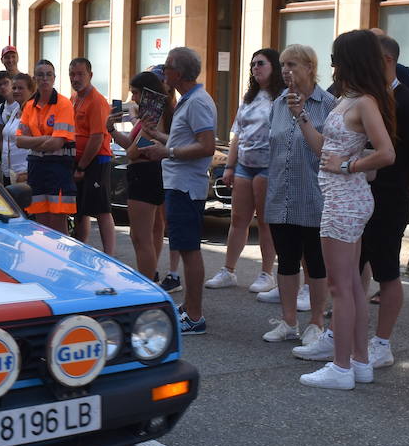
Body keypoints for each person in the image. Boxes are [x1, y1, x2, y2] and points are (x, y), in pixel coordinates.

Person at [292, 30, 395, 390]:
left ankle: (340, 368)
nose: (332, 64)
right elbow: (324, 148)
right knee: (350, 283)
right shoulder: (350, 98)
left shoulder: (364, 101)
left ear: (351, 60)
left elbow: (386, 153)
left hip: (345, 200)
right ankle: (359, 363)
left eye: (336, 57)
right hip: (341, 198)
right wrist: (302, 117)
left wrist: (349, 166)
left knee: (341, 286)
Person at [360, 34, 409, 371]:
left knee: (387, 272)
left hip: (389, 201)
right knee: (350, 269)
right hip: (361, 198)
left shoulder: (404, 102)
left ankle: (382, 343)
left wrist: (404, 182)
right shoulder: (371, 99)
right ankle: (340, 333)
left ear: (388, 61)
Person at [139, 48, 217, 335]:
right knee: (185, 249)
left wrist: (166, 151)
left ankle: (195, 316)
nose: (163, 71)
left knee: (189, 250)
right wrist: (158, 136)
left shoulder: (196, 102)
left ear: (179, 73)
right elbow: (185, 139)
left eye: (167, 66)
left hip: (186, 186)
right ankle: (190, 308)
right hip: (179, 184)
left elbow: (206, 145)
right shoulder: (190, 100)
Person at [262, 45, 336, 346]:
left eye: (292, 64)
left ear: (309, 67)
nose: (285, 70)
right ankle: (288, 321)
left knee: (316, 263)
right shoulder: (278, 103)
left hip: (314, 195)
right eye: (282, 65)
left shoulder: (329, 104)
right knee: (287, 260)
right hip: (281, 194)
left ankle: (316, 323)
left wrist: (301, 115)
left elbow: (330, 149)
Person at [207, 49, 283, 294]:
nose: (255, 68)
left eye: (261, 63)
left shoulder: (282, 97)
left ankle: (266, 273)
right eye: (252, 64)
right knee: (238, 220)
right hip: (244, 166)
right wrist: (229, 166)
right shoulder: (249, 98)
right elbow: (237, 135)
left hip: (268, 166)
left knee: (265, 222)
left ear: (274, 66)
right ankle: (228, 270)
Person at [108, 70, 169, 280]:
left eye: (135, 93)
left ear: (146, 93)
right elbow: (132, 146)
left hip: (145, 174)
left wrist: (133, 147)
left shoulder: (154, 116)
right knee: (143, 235)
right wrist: (113, 132)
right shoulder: (148, 115)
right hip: (143, 172)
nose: (132, 98)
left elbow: (135, 150)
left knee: (141, 237)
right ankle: (149, 278)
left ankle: (148, 282)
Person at [16, 59, 77, 232]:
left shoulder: (63, 104)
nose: (45, 79)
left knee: (58, 224)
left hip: (58, 169)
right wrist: (45, 139)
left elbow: (57, 143)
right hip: (36, 168)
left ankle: (62, 259)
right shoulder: (29, 106)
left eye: (49, 75)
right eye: (40, 75)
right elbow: (19, 141)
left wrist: (34, 141)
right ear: (35, 79)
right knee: (41, 223)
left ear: (54, 78)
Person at [69, 58, 116, 255]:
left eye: (80, 74)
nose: (75, 78)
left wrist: (82, 167)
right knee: (81, 209)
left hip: (96, 161)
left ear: (90, 75)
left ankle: (110, 254)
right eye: (72, 74)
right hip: (79, 161)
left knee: (102, 209)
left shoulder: (96, 101)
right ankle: (81, 247)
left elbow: (97, 138)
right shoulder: (74, 98)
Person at [0, 72, 32, 185]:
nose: (16, 91)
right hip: (9, 172)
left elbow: (39, 146)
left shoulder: (34, 112)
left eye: (21, 88)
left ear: (31, 90)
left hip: (24, 173)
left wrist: (28, 172)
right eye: (14, 88)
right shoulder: (16, 110)